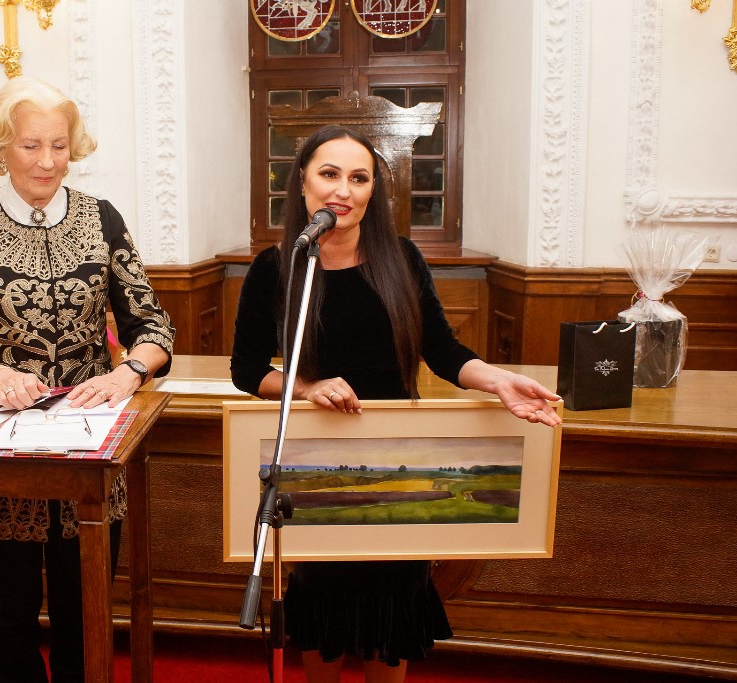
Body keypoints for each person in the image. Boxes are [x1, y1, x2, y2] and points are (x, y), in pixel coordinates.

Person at [230, 125, 561, 683]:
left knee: (393, 598)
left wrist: (499, 380)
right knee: (323, 600)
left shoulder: (401, 257)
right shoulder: (277, 266)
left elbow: (443, 350)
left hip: (399, 459)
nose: (344, 190)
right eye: (329, 174)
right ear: (302, 183)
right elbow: (246, 370)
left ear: (373, 191)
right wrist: (307, 387)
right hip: (319, 461)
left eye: (359, 178)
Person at [0, 76, 175, 683]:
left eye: (59, 145)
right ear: (1, 148)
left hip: (90, 442)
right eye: (31, 145)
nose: (48, 161)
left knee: (84, 605)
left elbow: (153, 324)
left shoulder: (102, 218)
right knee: (5, 610)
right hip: (0, 445)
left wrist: (129, 372)